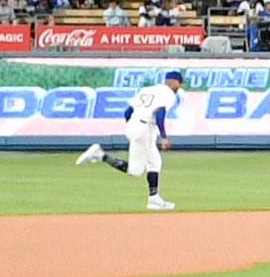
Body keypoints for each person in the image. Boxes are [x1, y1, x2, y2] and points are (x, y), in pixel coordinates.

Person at [75, 68, 190, 207]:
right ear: (173, 81)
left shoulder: (147, 90)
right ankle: (100, 155)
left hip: (135, 125)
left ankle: (154, 199)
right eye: (179, 83)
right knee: (136, 171)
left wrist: (133, 128)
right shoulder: (169, 94)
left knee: (155, 162)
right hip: (145, 129)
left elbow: (128, 112)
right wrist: (164, 137)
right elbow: (160, 113)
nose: (180, 86)